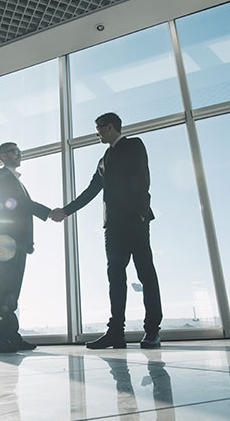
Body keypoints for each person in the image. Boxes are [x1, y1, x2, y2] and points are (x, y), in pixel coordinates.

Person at [51, 112, 162, 349]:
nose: (97, 133)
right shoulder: (104, 159)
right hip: (113, 227)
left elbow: (143, 179)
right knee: (115, 278)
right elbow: (91, 190)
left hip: (135, 220)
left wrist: (140, 213)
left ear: (110, 127)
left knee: (145, 274)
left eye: (99, 128)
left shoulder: (134, 145)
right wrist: (66, 211)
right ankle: (116, 333)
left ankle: (152, 330)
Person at [0, 142, 52, 353]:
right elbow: (17, 204)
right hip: (7, 239)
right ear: (3, 156)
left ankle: (11, 337)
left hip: (17, 241)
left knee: (12, 292)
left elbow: (21, 211)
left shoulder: (14, 179)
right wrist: (48, 212)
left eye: (20, 151)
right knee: (1, 289)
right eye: (15, 151)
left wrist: (28, 243)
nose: (19, 154)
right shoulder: (2, 176)